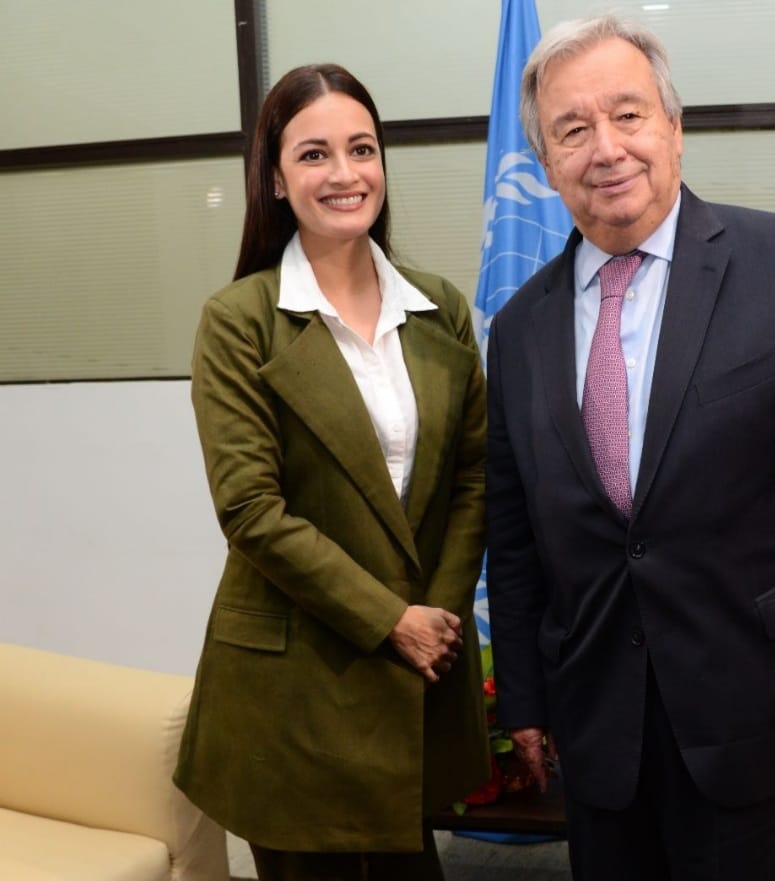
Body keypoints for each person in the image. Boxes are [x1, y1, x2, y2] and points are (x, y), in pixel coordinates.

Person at [486, 15, 775, 881]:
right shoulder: (518, 330)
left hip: (757, 711)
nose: (606, 149)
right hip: (596, 724)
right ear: (547, 163)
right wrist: (521, 695)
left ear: (674, 126)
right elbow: (514, 529)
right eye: (572, 129)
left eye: (628, 115)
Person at [173, 64, 488, 881]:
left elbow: (474, 481)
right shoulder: (239, 321)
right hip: (296, 685)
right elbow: (251, 509)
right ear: (275, 178)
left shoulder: (441, 308)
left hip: (417, 665)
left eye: (362, 148)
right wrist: (391, 618)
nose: (345, 174)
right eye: (314, 155)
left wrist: (437, 620)